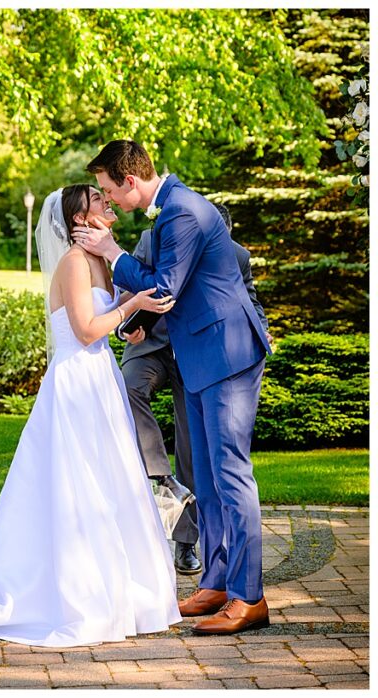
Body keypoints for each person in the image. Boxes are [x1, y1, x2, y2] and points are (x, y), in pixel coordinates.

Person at [0, 185, 181, 647]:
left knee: (109, 482)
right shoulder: (72, 262)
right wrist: (132, 305)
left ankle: (120, 586)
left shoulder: (99, 261)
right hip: (75, 384)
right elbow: (86, 331)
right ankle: (72, 592)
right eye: (97, 198)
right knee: (77, 484)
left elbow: (100, 325)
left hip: (99, 380)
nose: (107, 202)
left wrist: (128, 325)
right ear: (76, 218)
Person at [76, 140, 272, 635]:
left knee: (231, 475)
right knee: (205, 477)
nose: (109, 201)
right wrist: (133, 321)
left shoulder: (182, 212)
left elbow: (164, 289)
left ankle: (249, 598)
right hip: (201, 356)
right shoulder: (172, 209)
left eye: (107, 190)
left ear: (129, 181)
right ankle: (217, 581)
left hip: (226, 355)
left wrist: (112, 252)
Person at [118, 202, 269, 577]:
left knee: (193, 450)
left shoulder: (236, 256)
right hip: (152, 345)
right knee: (128, 386)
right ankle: (158, 472)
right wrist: (130, 325)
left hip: (199, 356)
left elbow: (249, 300)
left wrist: (260, 329)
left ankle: (186, 543)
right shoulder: (153, 240)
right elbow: (127, 293)